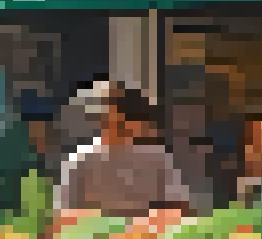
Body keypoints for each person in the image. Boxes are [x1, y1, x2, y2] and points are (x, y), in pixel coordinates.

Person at [54, 84, 193, 219]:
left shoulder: (156, 157)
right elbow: (65, 216)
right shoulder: (81, 161)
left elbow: (181, 208)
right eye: (115, 122)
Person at [0, 92, 59, 216]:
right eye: (44, 125)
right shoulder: (19, 147)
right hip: (16, 214)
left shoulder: (13, 138)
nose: (46, 131)